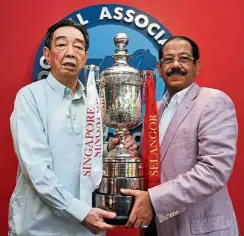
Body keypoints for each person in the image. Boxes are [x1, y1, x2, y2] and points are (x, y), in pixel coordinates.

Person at [9, 19, 136, 236]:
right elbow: (36, 169)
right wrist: (80, 212)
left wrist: (112, 150)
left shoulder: (95, 103)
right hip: (39, 229)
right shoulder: (30, 97)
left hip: (88, 229)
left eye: (78, 47)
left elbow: (92, 162)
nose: (71, 53)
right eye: (61, 45)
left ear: (85, 58)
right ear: (48, 55)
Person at [121, 35, 239, 235]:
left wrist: (154, 200)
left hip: (198, 229)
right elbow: (153, 166)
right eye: (168, 60)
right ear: (159, 68)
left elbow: (214, 170)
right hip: (154, 227)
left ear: (197, 66)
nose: (175, 65)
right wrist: (128, 154)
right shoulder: (154, 111)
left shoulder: (213, 101)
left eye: (183, 59)